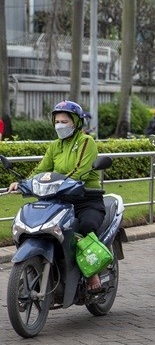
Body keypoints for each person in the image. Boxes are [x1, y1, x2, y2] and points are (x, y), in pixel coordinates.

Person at [8, 101, 105, 293]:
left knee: (85, 227)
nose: (60, 125)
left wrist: (59, 184)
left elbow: (80, 170)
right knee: (35, 225)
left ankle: (92, 272)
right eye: (57, 121)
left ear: (75, 122)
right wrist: (24, 183)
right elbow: (41, 169)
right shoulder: (55, 146)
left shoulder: (86, 142)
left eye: (64, 121)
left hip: (86, 199)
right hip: (59, 199)